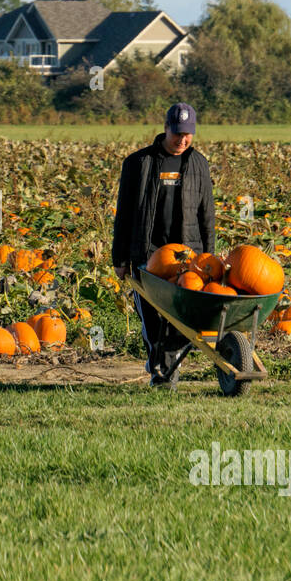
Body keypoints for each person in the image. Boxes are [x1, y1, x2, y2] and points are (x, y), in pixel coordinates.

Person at [111, 102, 216, 387]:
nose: (183, 140)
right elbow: (124, 215)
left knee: (184, 319)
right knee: (153, 319)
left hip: (187, 257)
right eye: (177, 133)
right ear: (165, 128)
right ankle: (162, 371)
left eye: (188, 134)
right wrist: (119, 259)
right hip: (147, 254)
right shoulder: (138, 164)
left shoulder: (198, 164)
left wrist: (210, 257)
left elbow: (207, 216)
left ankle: (163, 364)